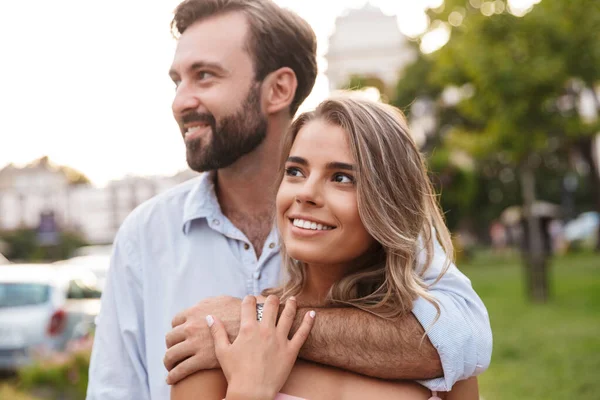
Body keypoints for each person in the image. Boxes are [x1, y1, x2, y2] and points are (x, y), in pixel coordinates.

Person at [86, 1, 492, 399]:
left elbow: (461, 341)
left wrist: (261, 322)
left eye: (205, 76)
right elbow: (113, 390)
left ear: (279, 89)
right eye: (178, 82)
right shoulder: (145, 233)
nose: (180, 102)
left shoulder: (394, 243)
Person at [170, 95, 482, 399]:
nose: (305, 193)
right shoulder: (222, 344)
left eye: (342, 178)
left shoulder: (440, 358)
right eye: (295, 171)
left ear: (391, 204)